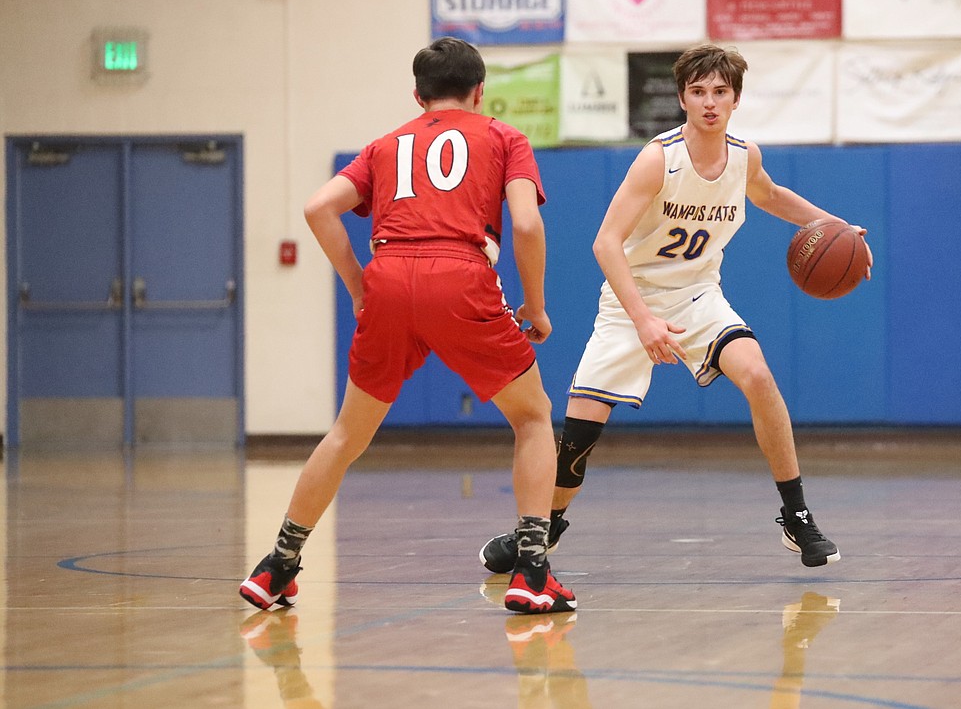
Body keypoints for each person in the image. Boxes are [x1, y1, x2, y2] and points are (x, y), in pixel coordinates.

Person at [479, 44, 871, 575]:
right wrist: (642, 319)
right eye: (698, 92)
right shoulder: (659, 158)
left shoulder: (743, 156)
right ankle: (544, 528)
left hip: (698, 296)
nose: (710, 102)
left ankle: (796, 514)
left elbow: (772, 195)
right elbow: (604, 243)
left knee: (757, 375)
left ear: (735, 99)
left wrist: (839, 227)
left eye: (720, 92)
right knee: (576, 440)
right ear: (682, 98)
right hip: (629, 301)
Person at [241, 37, 575, 616]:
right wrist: (537, 306)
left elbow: (319, 207)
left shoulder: (384, 145)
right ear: (480, 90)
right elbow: (525, 224)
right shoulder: (503, 137)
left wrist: (357, 285)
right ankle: (532, 570)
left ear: (418, 96)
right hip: (461, 274)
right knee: (533, 417)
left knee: (347, 435)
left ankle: (277, 565)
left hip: (389, 275)